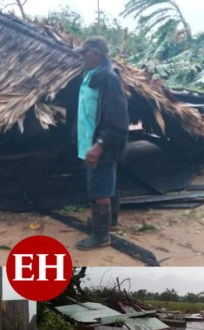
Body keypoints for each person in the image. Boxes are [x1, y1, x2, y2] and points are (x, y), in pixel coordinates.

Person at [74, 36, 129, 250]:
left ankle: (101, 235)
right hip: (89, 141)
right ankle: (110, 222)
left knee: (100, 190)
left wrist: (99, 144)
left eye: (84, 53)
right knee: (105, 184)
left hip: (100, 144)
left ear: (96, 53)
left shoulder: (108, 78)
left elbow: (118, 120)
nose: (81, 57)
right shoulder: (92, 76)